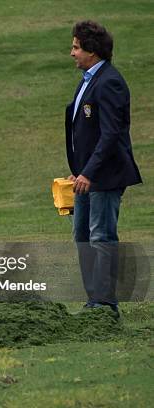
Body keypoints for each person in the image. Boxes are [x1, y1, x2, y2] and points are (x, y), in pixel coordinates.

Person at [64, 21, 142, 317]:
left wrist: (90, 172)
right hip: (86, 177)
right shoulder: (88, 79)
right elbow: (87, 131)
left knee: (101, 236)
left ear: (91, 51)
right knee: (81, 236)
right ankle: (93, 301)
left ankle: (106, 304)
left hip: (105, 176)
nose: (71, 53)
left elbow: (111, 134)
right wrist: (79, 171)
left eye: (75, 47)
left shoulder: (110, 81)